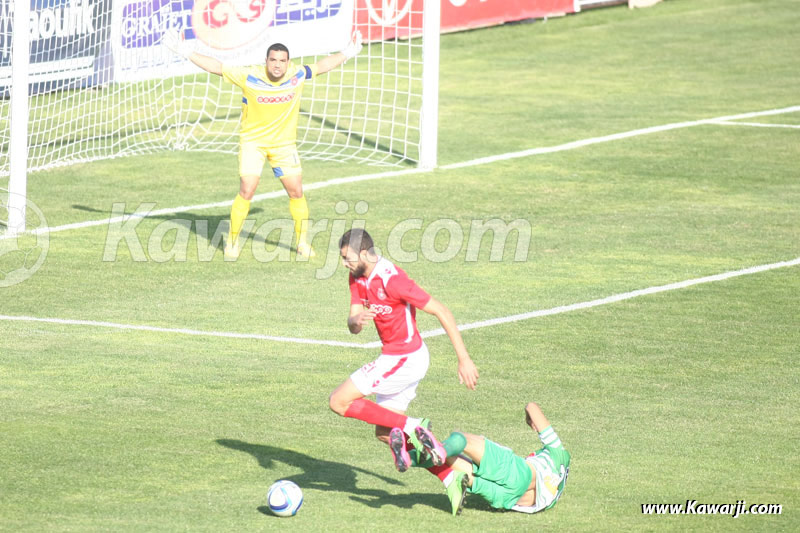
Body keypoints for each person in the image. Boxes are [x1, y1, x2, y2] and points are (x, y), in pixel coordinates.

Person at [163, 29, 364, 259]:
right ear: (266, 61)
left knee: (296, 191)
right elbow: (217, 67)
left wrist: (348, 52)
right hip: (253, 143)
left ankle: (302, 243)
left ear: (288, 63)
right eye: (273, 60)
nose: (277, 65)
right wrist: (186, 50)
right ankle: (231, 241)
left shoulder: (297, 74)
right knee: (247, 190)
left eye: (282, 61)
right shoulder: (249, 77)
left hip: (284, 146)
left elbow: (323, 65)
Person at [328, 228, 480, 515]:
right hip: (396, 357)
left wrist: (464, 359)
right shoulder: (357, 277)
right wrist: (356, 320)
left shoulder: (393, 280)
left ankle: (413, 424)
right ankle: (452, 476)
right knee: (386, 434)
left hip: (405, 358)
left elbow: (442, 311)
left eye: (347, 258)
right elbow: (353, 322)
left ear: (363, 253)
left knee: (339, 401)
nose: (344, 263)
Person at [407, 401, 570, 515]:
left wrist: (529, 415)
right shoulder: (554, 494)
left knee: (461, 439)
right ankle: (408, 458)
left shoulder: (559, 453)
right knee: (456, 466)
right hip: (505, 499)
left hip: (518, 474)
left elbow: (532, 407)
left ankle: (425, 452)